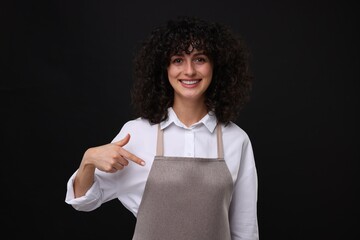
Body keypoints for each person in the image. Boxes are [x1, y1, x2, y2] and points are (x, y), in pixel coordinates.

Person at [65, 16, 259, 240]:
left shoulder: (236, 139)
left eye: (200, 59)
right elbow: (84, 200)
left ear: (217, 66)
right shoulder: (137, 134)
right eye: (178, 60)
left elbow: (245, 229)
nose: (189, 71)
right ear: (163, 68)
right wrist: (88, 160)